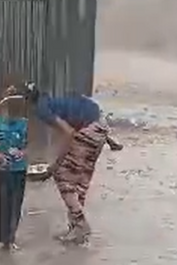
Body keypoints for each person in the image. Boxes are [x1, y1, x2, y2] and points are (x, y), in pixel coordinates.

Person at [23, 81, 122, 244]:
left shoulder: (41, 109)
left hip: (89, 130)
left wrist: (55, 165)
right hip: (100, 126)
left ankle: (81, 225)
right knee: (81, 178)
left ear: (28, 102)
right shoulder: (50, 99)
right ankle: (76, 228)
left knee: (63, 177)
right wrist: (109, 141)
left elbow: (68, 132)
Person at [0, 89, 30, 250]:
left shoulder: (24, 124)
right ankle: (4, 239)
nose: (12, 112)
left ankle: (12, 238)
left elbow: (28, 146)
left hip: (19, 170)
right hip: (2, 170)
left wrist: (22, 153)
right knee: (4, 204)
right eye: (9, 107)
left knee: (16, 204)